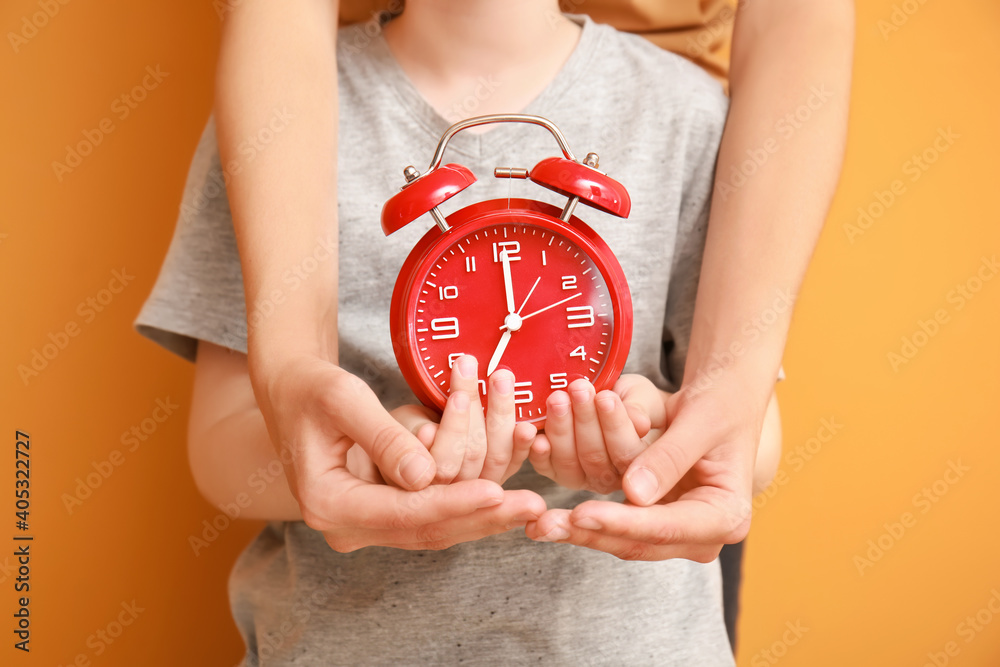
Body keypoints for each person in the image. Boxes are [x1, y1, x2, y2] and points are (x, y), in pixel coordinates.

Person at [135, 2, 795, 663]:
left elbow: (750, 433)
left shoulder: (685, 115)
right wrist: (377, 458)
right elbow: (221, 452)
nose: (512, 325)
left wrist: (655, 441)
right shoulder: (273, 118)